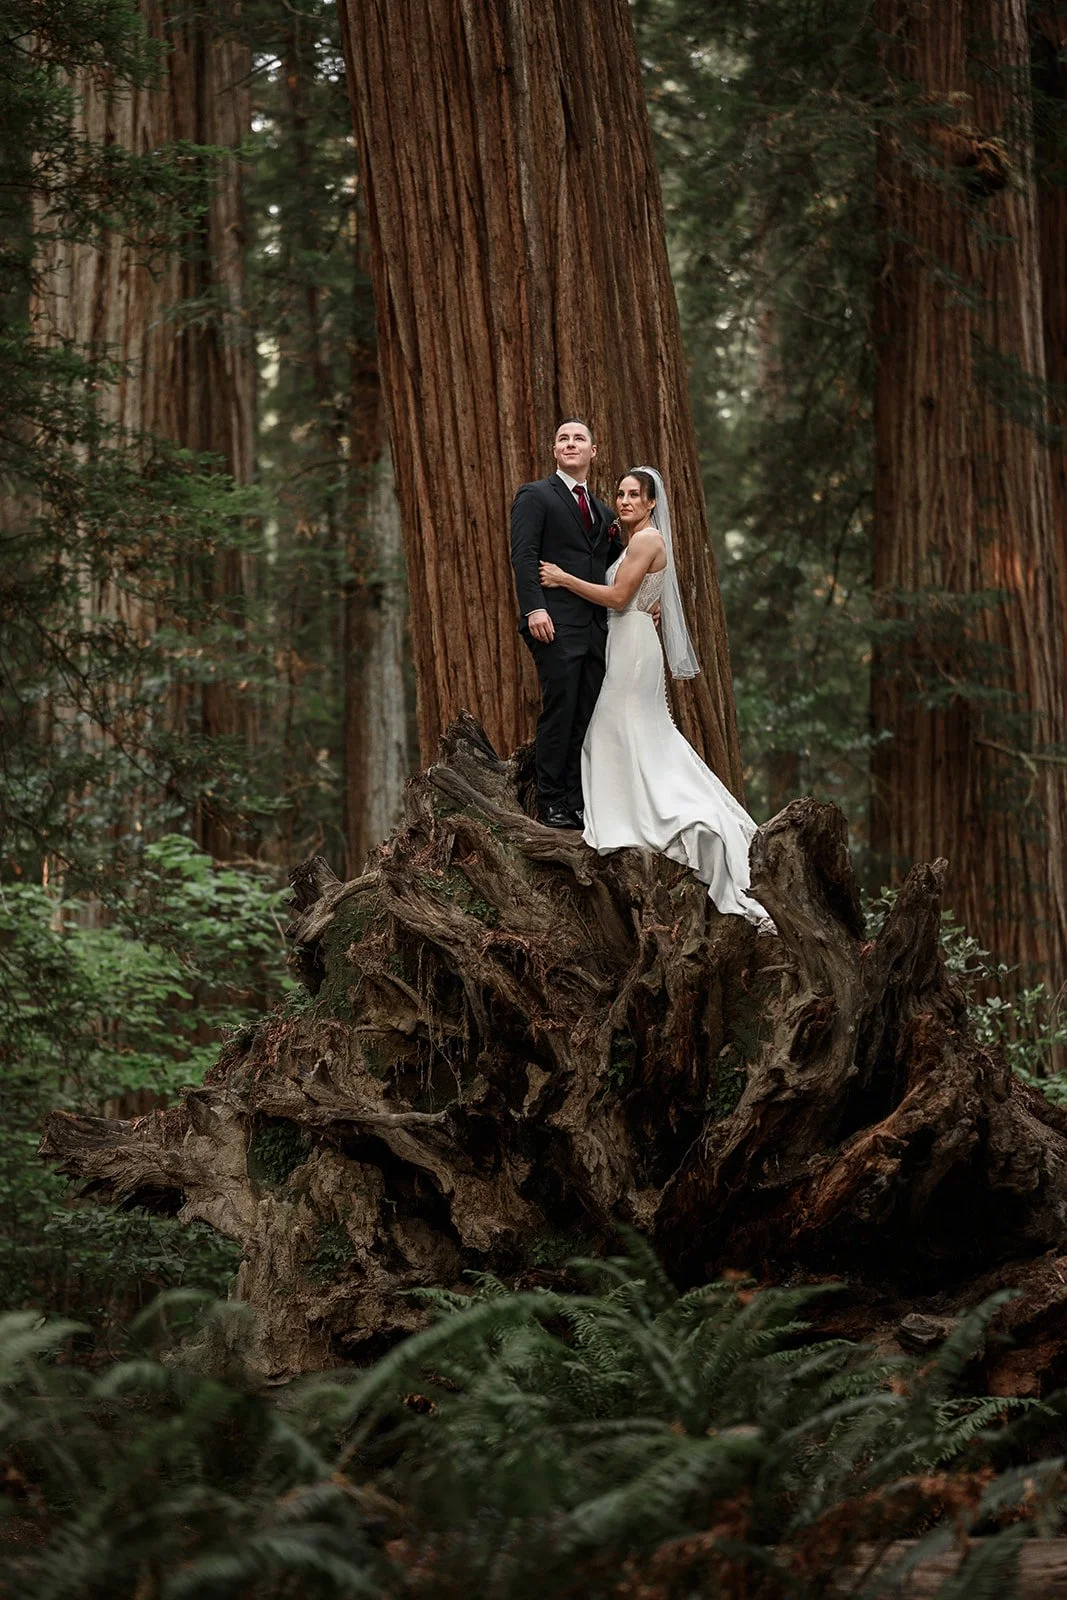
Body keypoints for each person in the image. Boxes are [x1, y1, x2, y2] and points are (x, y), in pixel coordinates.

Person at [539, 466, 772, 930]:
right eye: (621, 494)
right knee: (631, 731)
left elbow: (621, 597)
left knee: (613, 727)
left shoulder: (646, 541)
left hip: (631, 644)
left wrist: (564, 579)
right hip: (626, 641)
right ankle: (630, 804)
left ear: (650, 503)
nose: (624, 501)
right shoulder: (635, 542)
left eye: (634, 495)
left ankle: (655, 814)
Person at [510, 418, 622, 829]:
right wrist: (533, 609)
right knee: (561, 707)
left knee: (587, 712)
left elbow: (616, 567)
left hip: (596, 626)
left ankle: (577, 801)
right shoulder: (535, 496)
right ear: (555, 451)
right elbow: (523, 556)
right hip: (553, 621)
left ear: (593, 451)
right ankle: (552, 800)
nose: (570, 444)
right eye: (563, 439)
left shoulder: (603, 512)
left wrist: (647, 601)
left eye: (579, 438)